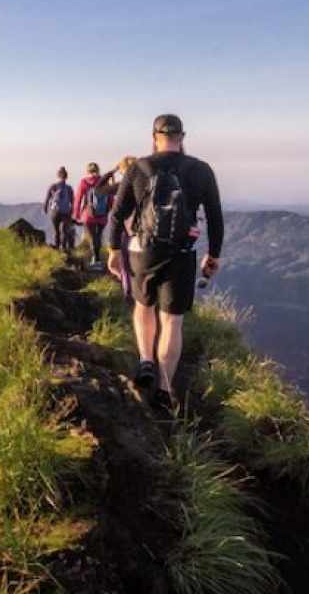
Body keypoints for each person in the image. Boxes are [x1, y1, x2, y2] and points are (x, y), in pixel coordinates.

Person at [106, 114, 223, 414]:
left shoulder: (138, 168)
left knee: (144, 306)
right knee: (172, 320)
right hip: (180, 253)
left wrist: (113, 250)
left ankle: (146, 360)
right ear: (182, 137)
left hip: (142, 251)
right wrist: (213, 255)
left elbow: (118, 214)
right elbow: (214, 216)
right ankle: (165, 389)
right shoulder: (201, 170)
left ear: (154, 138)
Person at [97, 156, 138, 301]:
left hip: (126, 229)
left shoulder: (121, 186)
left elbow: (98, 189)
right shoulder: (146, 185)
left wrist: (111, 172)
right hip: (144, 231)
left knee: (125, 264)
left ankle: (129, 294)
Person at [73, 162, 109, 267]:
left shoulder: (84, 182)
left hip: (88, 215)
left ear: (87, 171)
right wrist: (108, 210)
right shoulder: (104, 181)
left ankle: (95, 260)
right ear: (98, 170)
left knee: (93, 237)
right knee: (98, 236)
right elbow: (110, 197)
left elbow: (78, 199)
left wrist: (76, 214)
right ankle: (98, 259)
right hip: (102, 216)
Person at [43, 167, 75, 253]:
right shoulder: (69, 188)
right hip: (66, 212)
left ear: (57, 176)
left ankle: (57, 248)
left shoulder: (53, 187)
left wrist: (45, 208)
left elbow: (47, 198)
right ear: (66, 177)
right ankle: (63, 248)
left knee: (56, 231)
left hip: (55, 212)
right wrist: (73, 211)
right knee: (64, 231)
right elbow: (72, 201)